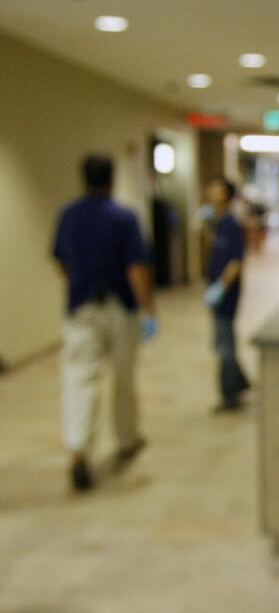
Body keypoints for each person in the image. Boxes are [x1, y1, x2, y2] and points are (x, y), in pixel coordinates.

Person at [52, 153, 157, 492]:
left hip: (81, 307)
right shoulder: (124, 217)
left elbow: (61, 261)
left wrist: (81, 282)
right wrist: (148, 308)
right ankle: (127, 439)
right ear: (112, 179)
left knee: (79, 377)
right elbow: (135, 267)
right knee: (123, 377)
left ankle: (79, 449)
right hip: (119, 307)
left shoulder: (68, 215)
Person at [203, 178, 250, 413]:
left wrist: (220, 287)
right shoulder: (218, 224)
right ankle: (240, 382)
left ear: (227, 196)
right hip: (217, 291)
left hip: (227, 294)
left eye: (218, 191)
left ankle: (230, 394)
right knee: (222, 341)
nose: (212, 194)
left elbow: (236, 261)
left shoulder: (231, 225)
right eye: (211, 190)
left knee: (224, 345)